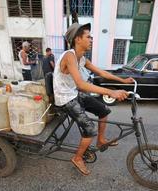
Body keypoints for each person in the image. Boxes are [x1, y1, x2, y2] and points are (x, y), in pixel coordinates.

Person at [53, 23, 134, 175]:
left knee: (103, 110)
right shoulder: (69, 56)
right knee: (89, 129)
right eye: (88, 37)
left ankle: (101, 140)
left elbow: (102, 73)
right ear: (78, 39)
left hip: (73, 94)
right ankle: (77, 158)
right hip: (64, 98)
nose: (91, 40)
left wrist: (122, 81)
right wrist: (110, 92)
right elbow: (81, 84)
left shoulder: (81, 58)